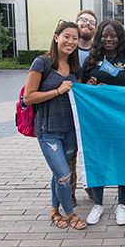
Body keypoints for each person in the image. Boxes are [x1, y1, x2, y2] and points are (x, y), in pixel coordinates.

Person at [23, 21, 87, 230]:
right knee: (64, 175)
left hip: (69, 130)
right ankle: (69, 213)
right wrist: (58, 91)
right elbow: (29, 97)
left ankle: (54, 210)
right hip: (48, 130)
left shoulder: (75, 67)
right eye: (66, 36)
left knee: (58, 174)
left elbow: (79, 94)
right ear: (56, 37)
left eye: (75, 38)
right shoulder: (42, 63)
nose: (70, 41)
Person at [83, 19, 125, 226]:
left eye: (113, 35)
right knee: (98, 161)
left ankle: (121, 204)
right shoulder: (91, 60)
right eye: (105, 35)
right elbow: (80, 89)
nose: (109, 39)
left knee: (122, 161)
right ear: (99, 38)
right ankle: (98, 204)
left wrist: (113, 90)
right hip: (96, 123)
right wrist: (89, 85)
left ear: (120, 38)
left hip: (120, 121)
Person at [68, 9, 98, 206]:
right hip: (65, 110)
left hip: (88, 112)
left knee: (89, 153)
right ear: (77, 22)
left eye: (91, 22)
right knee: (69, 155)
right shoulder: (67, 47)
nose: (87, 24)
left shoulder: (97, 53)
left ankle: (91, 188)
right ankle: (69, 193)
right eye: (83, 20)